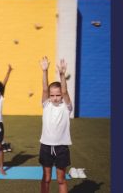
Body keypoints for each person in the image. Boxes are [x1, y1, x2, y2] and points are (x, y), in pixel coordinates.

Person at [39, 57, 72, 193]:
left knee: (61, 179)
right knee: (46, 178)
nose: (55, 97)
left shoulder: (66, 107)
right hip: (46, 146)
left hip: (61, 148)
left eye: (57, 95)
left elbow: (65, 91)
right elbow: (45, 89)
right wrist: (45, 71)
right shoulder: (46, 105)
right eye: (52, 95)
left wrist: (62, 75)